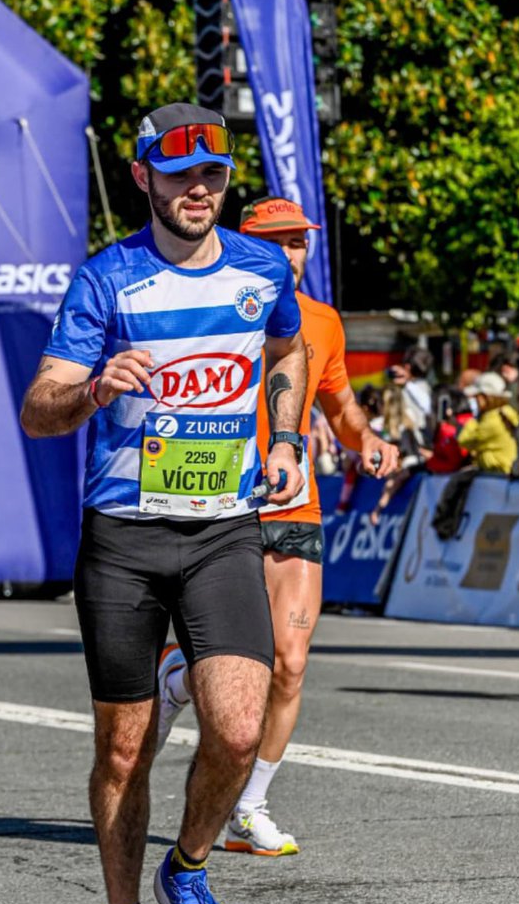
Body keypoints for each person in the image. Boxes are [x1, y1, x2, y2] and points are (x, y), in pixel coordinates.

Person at [19, 103, 308, 904]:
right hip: (124, 539)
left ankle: (184, 867)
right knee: (123, 751)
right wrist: (94, 389)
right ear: (143, 175)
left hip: (223, 530)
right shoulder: (107, 280)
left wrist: (287, 436)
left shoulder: (261, 267)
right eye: (180, 174)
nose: (199, 190)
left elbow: (288, 348)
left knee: (236, 725)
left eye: (214, 175)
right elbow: (39, 407)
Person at [154, 195, 398, 857]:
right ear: (247, 242)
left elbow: (341, 404)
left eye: (300, 241)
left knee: (288, 663)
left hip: (293, 504)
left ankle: (249, 805)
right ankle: (178, 675)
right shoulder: (203, 298)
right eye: (280, 240)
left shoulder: (321, 321)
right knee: (236, 664)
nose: (293, 252)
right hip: (217, 503)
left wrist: (366, 441)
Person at [457, 371, 519, 475]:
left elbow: (463, 440)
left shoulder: (491, 421)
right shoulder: (507, 411)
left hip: (496, 474)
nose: (474, 399)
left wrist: (474, 417)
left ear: (486, 397)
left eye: (477, 396)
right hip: (502, 473)